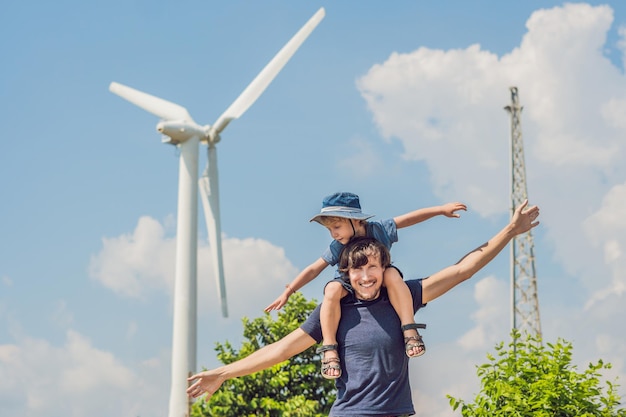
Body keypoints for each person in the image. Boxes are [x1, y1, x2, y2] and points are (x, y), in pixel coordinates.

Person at [188, 200, 540, 416]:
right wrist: (223, 373)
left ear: (384, 267)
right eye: (358, 269)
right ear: (347, 273)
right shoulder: (336, 309)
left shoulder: (401, 295)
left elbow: (463, 269)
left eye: (373, 267)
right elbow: (281, 350)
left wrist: (509, 231)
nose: (366, 276)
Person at [264, 192, 467, 379]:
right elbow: (314, 269)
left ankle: (409, 329)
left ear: (355, 220)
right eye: (329, 230)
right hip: (349, 286)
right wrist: (289, 291)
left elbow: (408, 219)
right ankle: (329, 348)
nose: (333, 234)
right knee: (332, 289)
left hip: (379, 280)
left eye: (336, 227)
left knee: (391, 273)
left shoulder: (378, 229)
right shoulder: (338, 246)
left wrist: (440, 210)